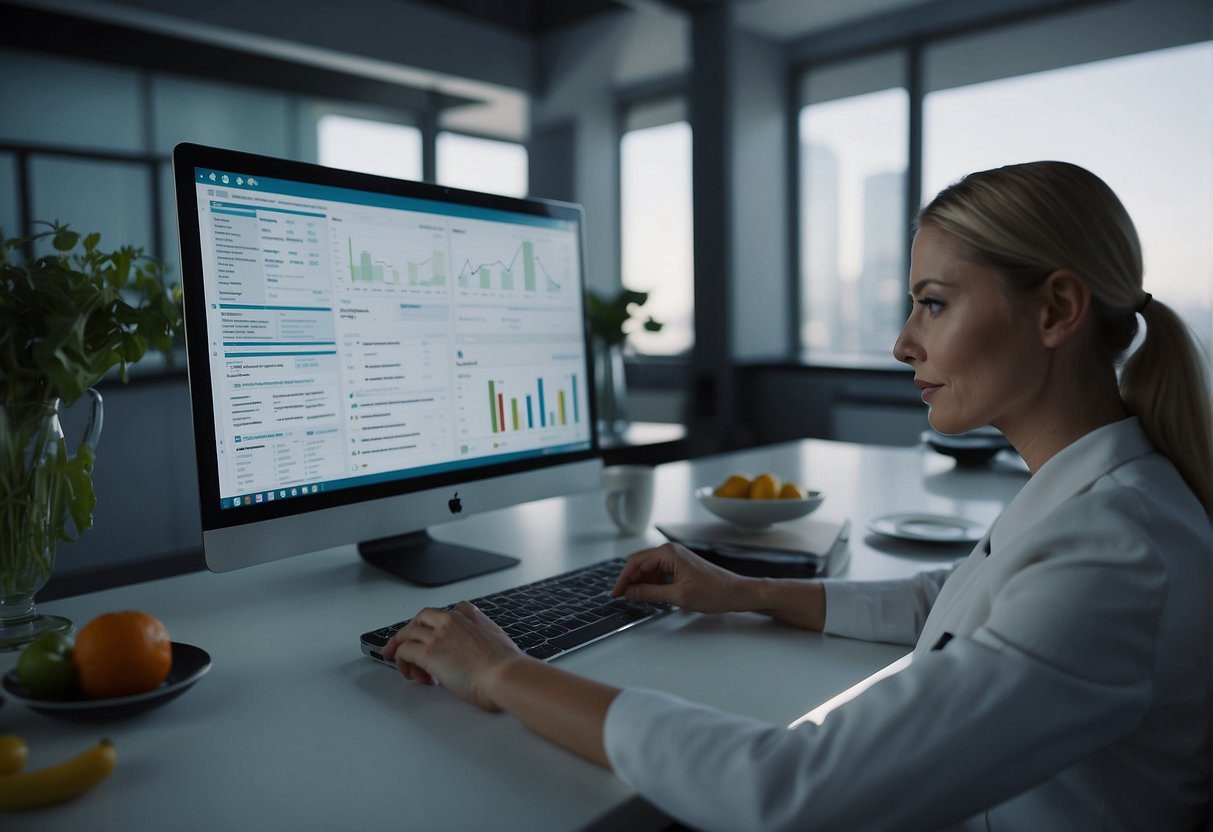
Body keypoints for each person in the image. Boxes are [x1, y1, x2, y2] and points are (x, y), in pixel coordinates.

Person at [381, 162, 1213, 830]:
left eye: (933, 304)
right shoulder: (1095, 494)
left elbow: (787, 790)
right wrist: (746, 592)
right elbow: (950, 606)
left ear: (1057, 309)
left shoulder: (1114, 552)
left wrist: (502, 675)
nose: (901, 343)